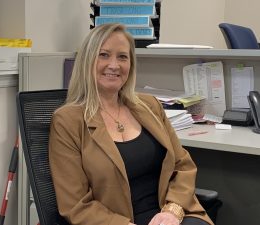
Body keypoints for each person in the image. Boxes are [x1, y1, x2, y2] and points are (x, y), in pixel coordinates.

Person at [49, 23, 214, 225]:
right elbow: (76, 205)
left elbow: (182, 165)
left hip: (169, 216)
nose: (114, 65)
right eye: (104, 55)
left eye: (122, 57)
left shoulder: (149, 106)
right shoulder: (68, 121)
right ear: (87, 61)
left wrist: (173, 210)